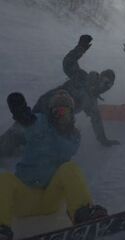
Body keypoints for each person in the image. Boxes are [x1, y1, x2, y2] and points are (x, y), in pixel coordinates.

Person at [0, 91, 108, 240]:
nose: (61, 115)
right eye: (57, 111)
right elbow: (30, 124)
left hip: (50, 199)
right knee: (4, 178)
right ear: (51, 113)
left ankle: (83, 214)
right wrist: (23, 116)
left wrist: (57, 131)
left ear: (72, 113)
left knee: (70, 168)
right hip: (23, 199)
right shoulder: (39, 122)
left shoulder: (73, 135)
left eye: (64, 111)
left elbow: (64, 150)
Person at [33, 35, 119, 147]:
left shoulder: (92, 102)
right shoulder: (83, 77)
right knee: (22, 130)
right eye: (105, 80)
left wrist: (103, 140)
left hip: (58, 119)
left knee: (64, 136)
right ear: (99, 77)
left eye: (109, 85)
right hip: (44, 106)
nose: (105, 85)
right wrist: (80, 48)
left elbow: (96, 121)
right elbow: (68, 63)